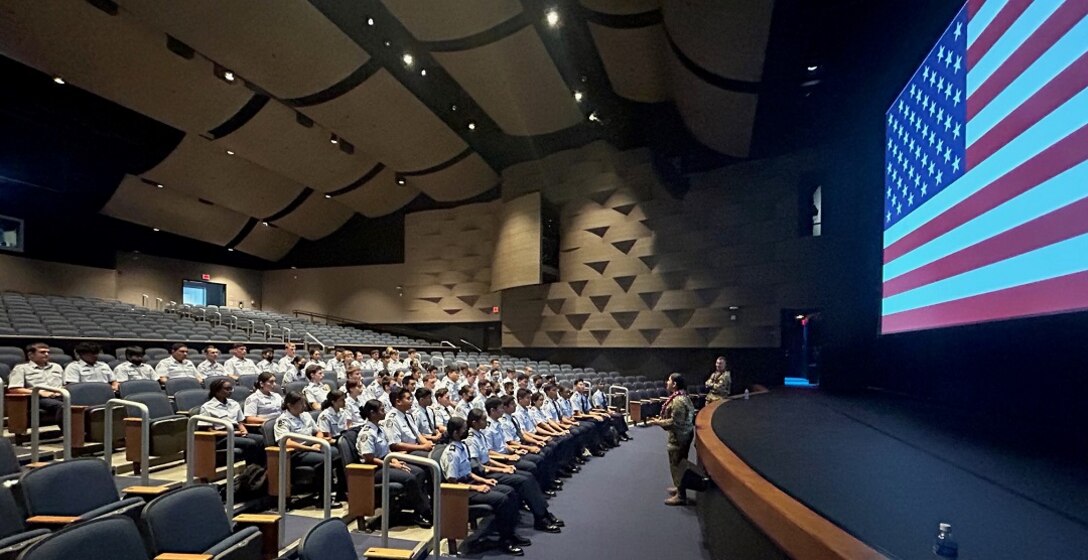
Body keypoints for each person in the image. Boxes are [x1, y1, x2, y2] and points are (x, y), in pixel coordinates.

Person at [440, 416, 530, 556]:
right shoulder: (451, 453)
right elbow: (453, 483)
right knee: (502, 499)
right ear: (456, 433)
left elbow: (468, 472)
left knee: (510, 492)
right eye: (464, 429)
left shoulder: (462, 446)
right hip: (461, 493)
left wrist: (485, 481)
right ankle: (505, 540)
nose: (467, 431)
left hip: (470, 483)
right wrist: (477, 488)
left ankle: (510, 534)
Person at [466, 409, 562, 533]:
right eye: (483, 420)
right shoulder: (471, 440)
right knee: (523, 480)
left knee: (528, 477)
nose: (486, 422)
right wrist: (503, 467)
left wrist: (504, 466)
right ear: (474, 423)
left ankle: (543, 514)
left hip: (492, 468)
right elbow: (478, 467)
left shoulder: (480, 434)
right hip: (485, 475)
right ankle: (540, 518)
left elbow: (487, 458)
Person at [355, 399, 433, 528]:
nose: (384, 412)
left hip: (386, 462)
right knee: (410, 478)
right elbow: (369, 458)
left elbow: (387, 450)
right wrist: (391, 465)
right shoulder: (367, 433)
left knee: (419, 472)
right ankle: (424, 512)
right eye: (381, 410)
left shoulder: (380, 428)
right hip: (374, 470)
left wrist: (395, 460)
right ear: (372, 413)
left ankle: (424, 508)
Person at [274, 391, 345, 506]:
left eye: (304, 403)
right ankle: (324, 499)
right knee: (325, 459)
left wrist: (317, 443)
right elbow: (286, 442)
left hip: (313, 447)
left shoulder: (306, 415)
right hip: (296, 453)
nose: (304, 406)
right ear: (290, 405)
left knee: (338, 454)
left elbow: (318, 432)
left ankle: (340, 492)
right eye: (300, 403)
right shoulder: (283, 420)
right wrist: (309, 448)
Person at [648, 373, 695, 506]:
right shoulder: (682, 396)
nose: (666, 382)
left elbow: (675, 423)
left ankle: (681, 495)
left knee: (677, 464)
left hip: (679, 438)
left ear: (674, 384)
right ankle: (679, 486)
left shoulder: (678, 401)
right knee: (681, 462)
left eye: (669, 380)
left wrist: (658, 422)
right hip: (685, 435)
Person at [199, 378, 265, 466]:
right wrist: (234, 433)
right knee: (251, 443)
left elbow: (240, 422)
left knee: (262, 440)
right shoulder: (207, 407)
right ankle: (250, 470)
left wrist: (243, 430)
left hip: (236, 431)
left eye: (231, 388)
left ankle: (260, 469)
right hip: (221, 437)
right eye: (227, 389)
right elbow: (209, 431)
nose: (230, 391)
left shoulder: (234, 403)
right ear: (217, 391)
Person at [7, 342, 65, 427]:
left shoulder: (57, 367)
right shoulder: (21, 368)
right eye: (42, 352)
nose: (46, 354)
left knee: (82, 403)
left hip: (61, 395)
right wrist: (40, 392)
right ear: (31, 355)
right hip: (38, 398)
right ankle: (70, 435)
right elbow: (14, 389)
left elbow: (65, 384)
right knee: (63, 407)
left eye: (48, 352)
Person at [384, 387, 434, 457]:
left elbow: (418, 435)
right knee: (433, 458)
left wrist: (428, 444)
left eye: (411, 398)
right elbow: (395, 445)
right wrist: (422, 447)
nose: (411, 401)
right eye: (408, 399)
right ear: (398, 402)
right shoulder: (391, 419)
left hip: (416, 448)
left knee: (437, 452)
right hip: (405, 453)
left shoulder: (408, 415)